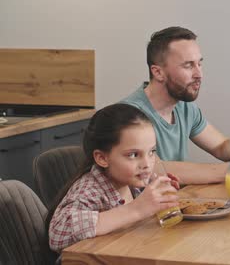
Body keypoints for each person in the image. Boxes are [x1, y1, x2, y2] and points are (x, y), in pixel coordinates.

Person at [121, 26, 230, 184]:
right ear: (158, 72)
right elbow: (157, 170)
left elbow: (220, 146)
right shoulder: (130, 115)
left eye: (199, 64)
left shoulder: (184, 107)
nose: (199, 74)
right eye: (188, 65)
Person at [48, 104, 181, 252]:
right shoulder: (90, 190)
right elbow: (57, 234)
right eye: (133, 155)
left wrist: (155, 202)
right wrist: (137, 209)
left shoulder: (128, 181)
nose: (147, 164)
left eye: (151, 152)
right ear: (102, 158)